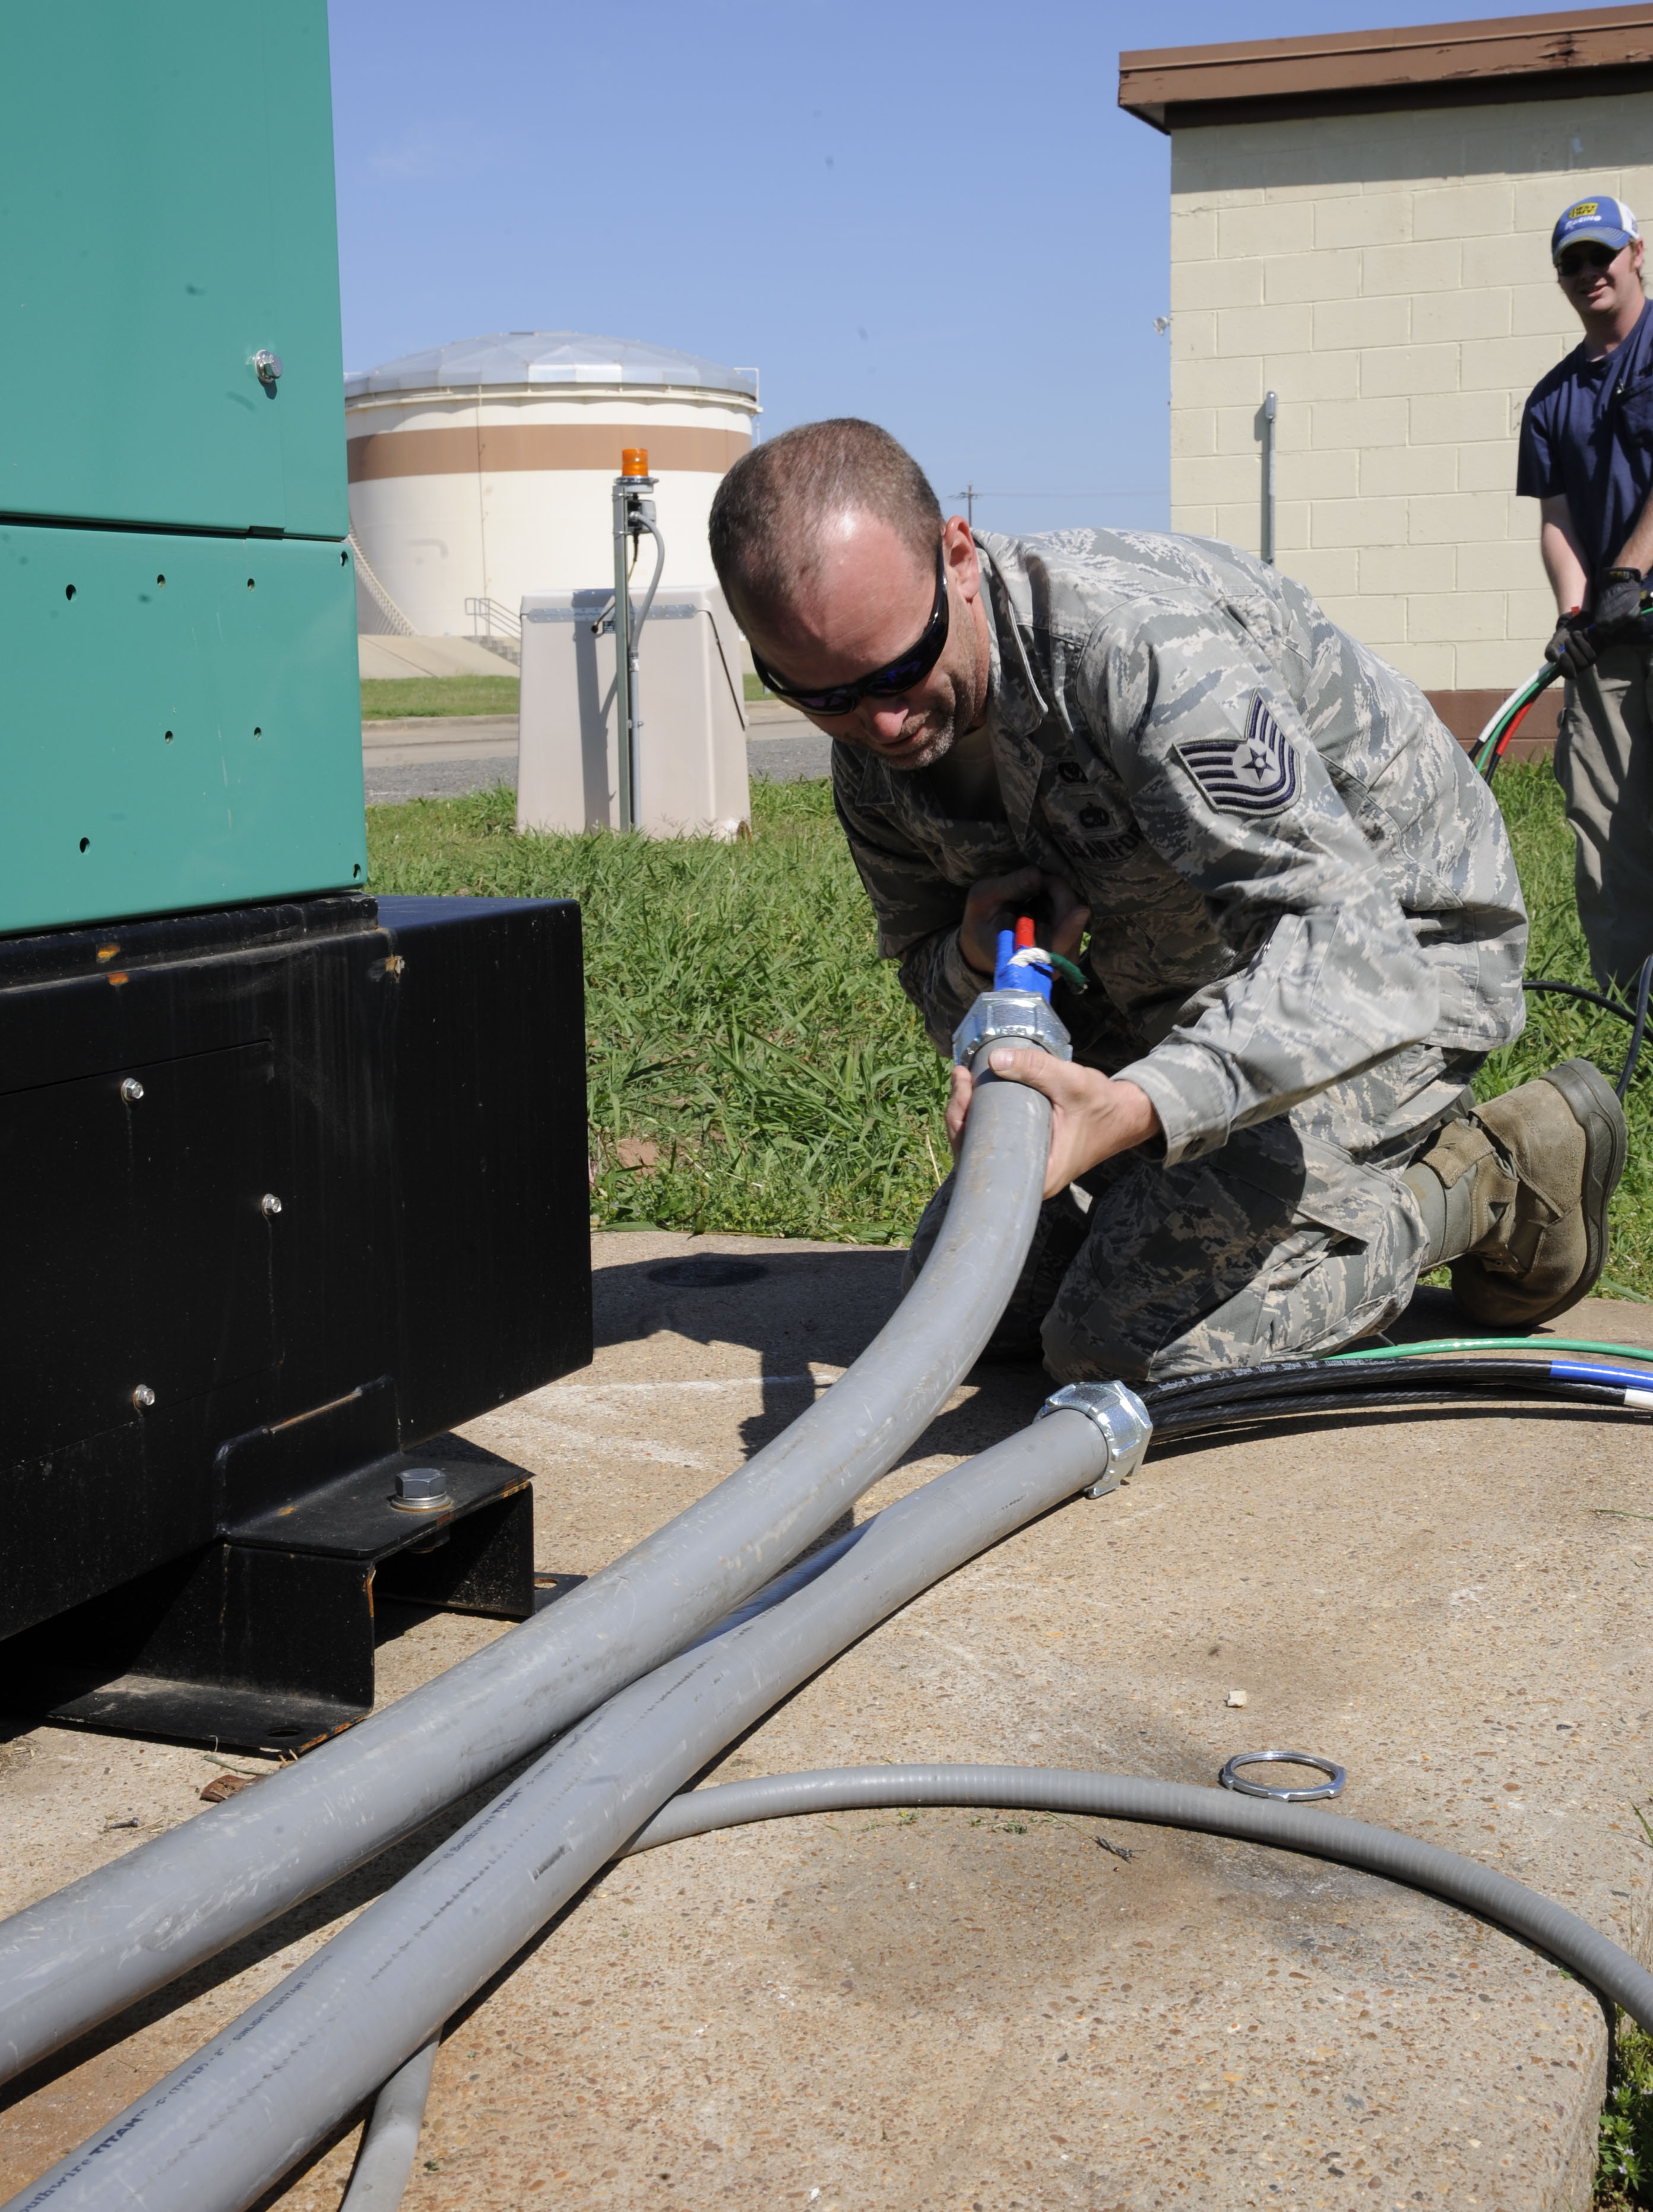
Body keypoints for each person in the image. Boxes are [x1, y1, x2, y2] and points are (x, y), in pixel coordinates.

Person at [708, 419, 1626, 1383]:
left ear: (959, 556)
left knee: (1123, 1345)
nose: (881, 721)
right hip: (1176, 988)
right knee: (974, 1301)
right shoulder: (870, 756)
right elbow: (926, 969)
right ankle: (1186, 1195)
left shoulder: (1133, 655)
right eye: (822, 695)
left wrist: (1137, 1107)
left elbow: (1352, 951)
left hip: (1401, 966)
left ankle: (1484, 1179)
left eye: (902, 668)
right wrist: (974, 965)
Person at [1518, 192, 1653, 991]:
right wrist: (1577, 608)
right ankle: (1626, 1008)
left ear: (1637, 253)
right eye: (1572, 261)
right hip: (1610, 639)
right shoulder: (1552, 399)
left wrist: (1631, 572)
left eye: (1601, 254)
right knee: (1604, 825)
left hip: (1636, 600)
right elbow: (1559, 519)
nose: (1588, 272)